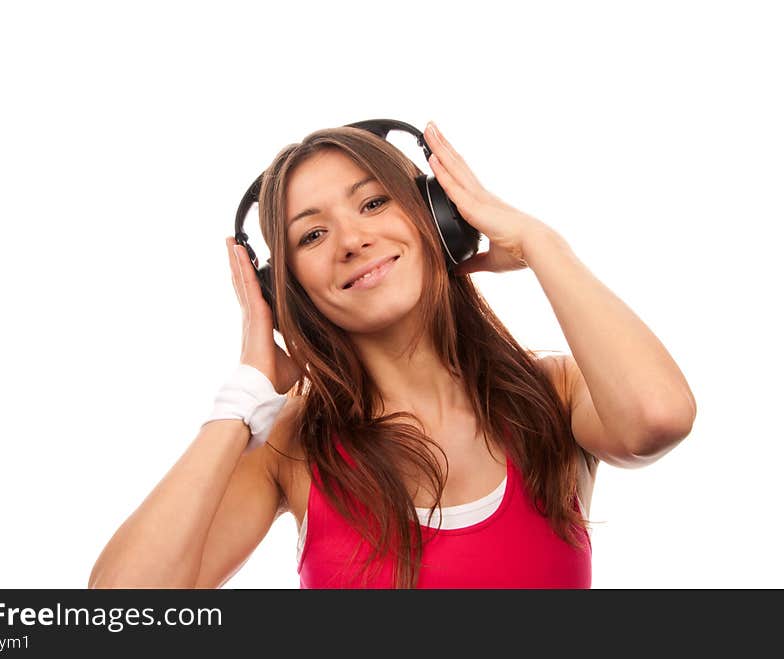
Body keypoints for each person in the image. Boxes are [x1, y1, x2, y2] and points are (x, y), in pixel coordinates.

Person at [88, 121, 697, 589]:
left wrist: (541, 245)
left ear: (440, 219)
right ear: (286, 291)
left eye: (374, 203)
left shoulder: (555, 394)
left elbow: (657, 418)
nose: (353, 240)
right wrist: (246, 395)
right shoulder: (290, 445)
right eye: (313, 234)